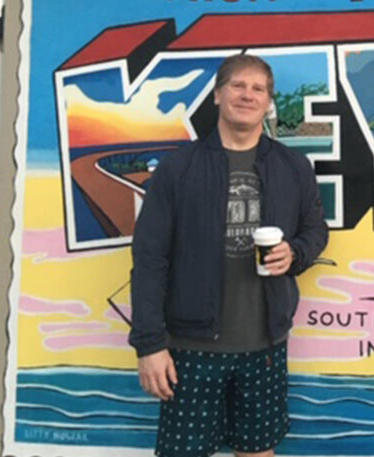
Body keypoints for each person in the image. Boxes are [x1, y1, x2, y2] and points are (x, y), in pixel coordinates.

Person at [130, 54, 329, 457]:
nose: (247, 95)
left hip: (265, 345)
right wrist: (150, 345)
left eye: (258, 89)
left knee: (257, 452)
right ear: (218, 95)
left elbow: (316, 231)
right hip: (190, 346)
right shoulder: (178, 168)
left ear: (269, 102)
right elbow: (149, 258)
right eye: (238, 85)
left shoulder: (293, 166)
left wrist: (297, 252)